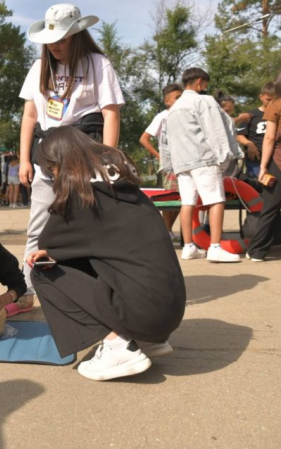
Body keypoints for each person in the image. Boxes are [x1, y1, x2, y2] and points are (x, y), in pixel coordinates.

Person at [28, 127, 186, 381]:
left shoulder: (81, 195)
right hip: (168, 314)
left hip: (144, 314)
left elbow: (47, 244)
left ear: (60, 163)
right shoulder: (128, 189)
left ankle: (117, 346)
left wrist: (52, 252)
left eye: (51, 169)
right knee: (88, 256)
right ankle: (143, 341)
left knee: (43, 270)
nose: (52, 176)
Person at [18, 3, 125, 298]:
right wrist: (24, 159)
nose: (54, 46)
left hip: (84, 154)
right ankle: (27, 286)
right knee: (38, 223)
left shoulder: (97, 64)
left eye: (61, 39)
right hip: (47, 156)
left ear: (77, 35)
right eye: (50, 40)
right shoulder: (40, 67)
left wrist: (107, 157)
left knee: (87, 222)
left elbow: (111, 114)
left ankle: (92, 285)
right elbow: (29, 116)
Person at [163, 68, 243, 263]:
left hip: (182, 162)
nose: (206, 88)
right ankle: (215, 247)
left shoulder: (172, 109)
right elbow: (216, 127)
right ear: (199, 82)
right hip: (203, 158)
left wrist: (169, 164)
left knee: (187, 202)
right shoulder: (204, 100)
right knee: (216, 199)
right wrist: (226, 154)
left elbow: (166, 140)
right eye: (205, 84)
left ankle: (188, 246)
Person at [247, 64, 281, 265]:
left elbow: (269, 139)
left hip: (280, 165)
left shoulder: (276, 104)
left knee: (269, 210)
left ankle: (257, 252)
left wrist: (264, 166)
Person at [139, 83, 183, 239]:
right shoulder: (162, 116)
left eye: (182, 97)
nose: (180, 100)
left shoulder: (186, 116)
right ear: (167, 101)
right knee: (171, 197)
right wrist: (159, 156)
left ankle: (168, 230)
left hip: (185, 162)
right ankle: (166, 231)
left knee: (182, 199)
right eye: (177, 97)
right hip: (170, 166)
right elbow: (144, 139)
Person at [236, 82, 276, 178]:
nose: (271, 103)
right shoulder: (251, 115)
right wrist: (249, 143)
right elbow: (239, 134)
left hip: (276, 159)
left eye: (274, 100)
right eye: (268, 100)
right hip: (255, 160)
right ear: (261, 97)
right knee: (257, 185)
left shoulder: (279, 114)